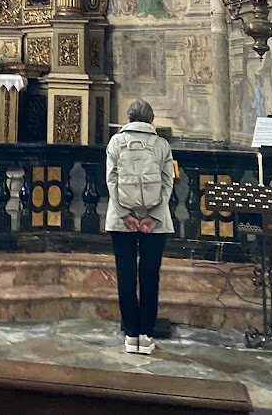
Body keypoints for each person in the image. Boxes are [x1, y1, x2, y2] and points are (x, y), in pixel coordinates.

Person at [105, 99, 174, 355]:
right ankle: (145, 335)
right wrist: (153, 216)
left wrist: (125, 215)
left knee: (125, 274)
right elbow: (167, 184)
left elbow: (111, 182)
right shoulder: (162, 145)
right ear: (150, 119)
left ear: (129, 117)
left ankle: (130, 335)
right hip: (155, 222)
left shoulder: (116, 142)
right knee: (149, 275)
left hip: (120, 220)